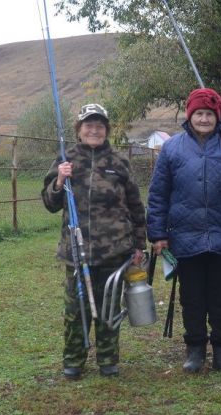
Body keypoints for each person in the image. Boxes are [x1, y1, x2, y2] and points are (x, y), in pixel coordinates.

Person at [147, 87, 221, 374]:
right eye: (199, 113)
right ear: (190, 115)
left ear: (217, 116)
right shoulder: (172, 148)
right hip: (185, 236)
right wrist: (158, 234)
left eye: (209, 114)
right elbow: (158, 193)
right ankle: (195, 350)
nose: (204, 118)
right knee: (192, 298)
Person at [42, 103, 146, 379]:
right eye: (89, 125)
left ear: (106, 130)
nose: (94, 130)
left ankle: (108, 359)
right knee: (76, 310)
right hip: (76, 251)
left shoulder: (119, 162)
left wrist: (139, 245)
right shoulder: (65, 160)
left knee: (109, 307)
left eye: (99, 126)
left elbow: (136, 207)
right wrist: (59, 180)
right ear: (79, 129)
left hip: (115, 250)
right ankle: (74, 360)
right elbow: (50, 204)